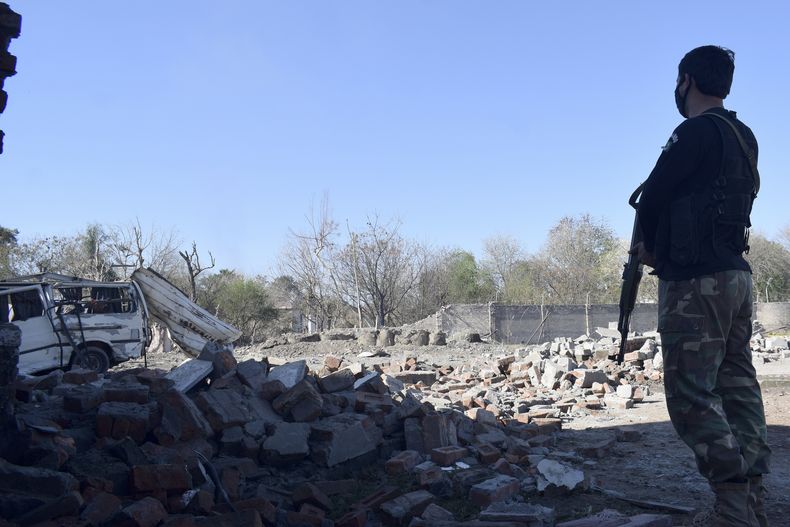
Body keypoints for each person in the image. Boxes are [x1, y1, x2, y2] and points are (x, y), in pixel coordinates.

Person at [632, 45, 771, 526]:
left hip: (697, 281)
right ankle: (751, 502)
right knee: (738, 388)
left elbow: (652, 198)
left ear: (686, 80)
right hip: (737, 276)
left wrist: (650, 248)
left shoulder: (691, 132)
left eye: (678, 81)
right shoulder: (743, 134)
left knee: (690, 395)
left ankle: (733, 508)